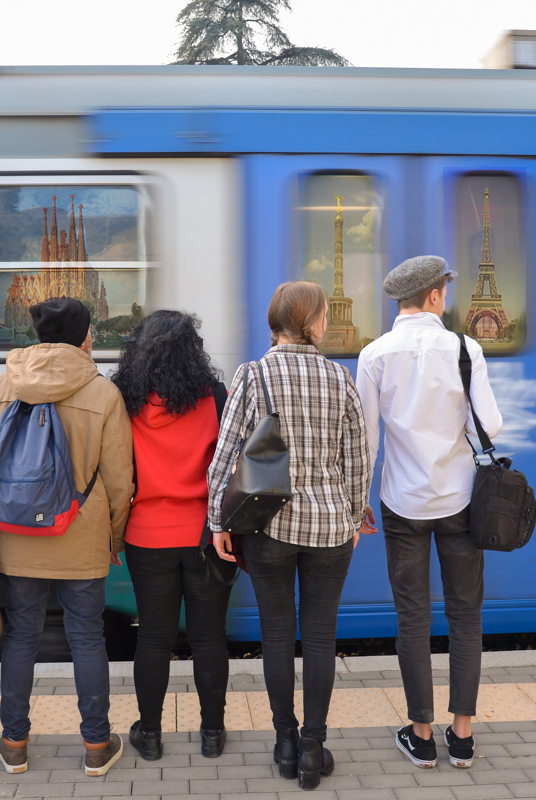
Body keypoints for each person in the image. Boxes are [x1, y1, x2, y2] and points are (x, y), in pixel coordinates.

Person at [207, 281, 373, 791]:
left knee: (277, 634)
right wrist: (351, 517)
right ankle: (313, 749)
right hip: (328, 527)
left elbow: (225, 452)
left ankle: (284, 741)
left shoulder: (253, 375)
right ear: (313, 321)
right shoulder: (339, 378)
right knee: (321, 636)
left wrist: (218, 520)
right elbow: (359, 457)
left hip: (268, 526)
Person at [0, 298, 134, 777]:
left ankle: (14, 742)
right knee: (86, 635)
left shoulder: (6, 384)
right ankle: (95, 746)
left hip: (17, 534)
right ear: (85, 337)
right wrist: (115, 539)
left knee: (21, 634)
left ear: (39, 336)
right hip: (80, 533)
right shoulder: (103, 393)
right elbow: (120, 480)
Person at [355, 256, 503, 770]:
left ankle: (420, 735)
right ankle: (461, 736)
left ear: (401, 300)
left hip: (402, 503)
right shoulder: (466, 348)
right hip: (461, 499)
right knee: (465, 614)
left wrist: (359, 503)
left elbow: (367, 440)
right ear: (436, 296)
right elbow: (492, 424)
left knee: (412, 616)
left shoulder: (374, 355)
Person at [110, 310, 233, 761]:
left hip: (147, 536)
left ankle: (151, 734)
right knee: (209, 638)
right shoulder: (215, 395)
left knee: (154, 638)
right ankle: (212, 734)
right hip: (207, 538)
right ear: (193, 351)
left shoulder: (126, 399)